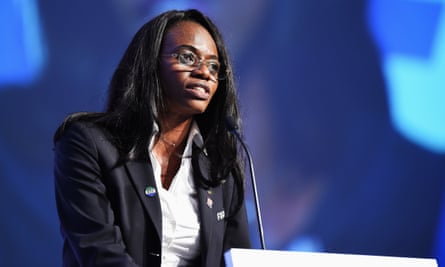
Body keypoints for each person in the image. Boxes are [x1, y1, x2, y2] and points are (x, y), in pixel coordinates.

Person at [53, 9, 251, 267]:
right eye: (188, 57)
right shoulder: (87, 143)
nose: (205, 73)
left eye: (214, 66)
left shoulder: (219, 166)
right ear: (150, 64)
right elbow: (99, 253)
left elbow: (236, 258)